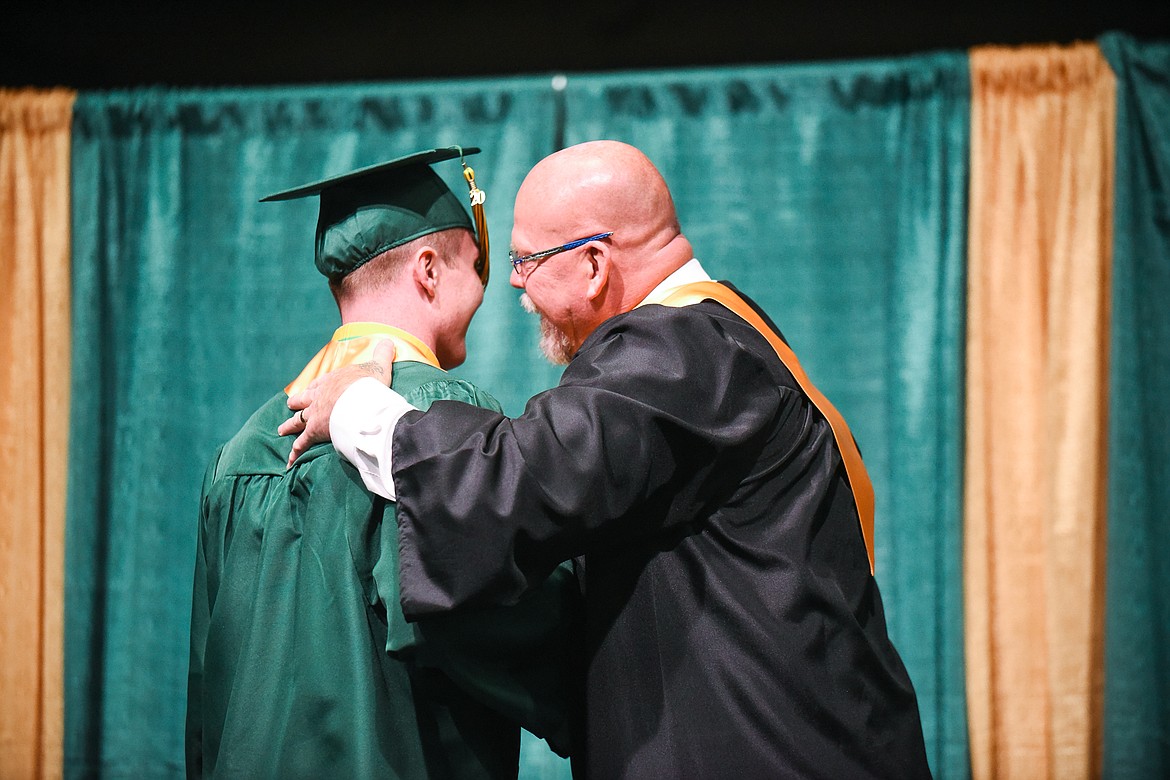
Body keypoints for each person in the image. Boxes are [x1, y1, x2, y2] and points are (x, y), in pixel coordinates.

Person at [281, 140, 932, 778]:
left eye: (524, 260)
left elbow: (510, 481)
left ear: (593, 263)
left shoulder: (682, 347)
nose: (510, 282)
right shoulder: (728, 336)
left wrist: (355, 406)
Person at [187, 147, 582, 779]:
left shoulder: (238, 457)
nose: (487, 290)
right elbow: (485, 623)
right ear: (428, 269)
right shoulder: (440, 422)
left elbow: (211, 682)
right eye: (476, 267)